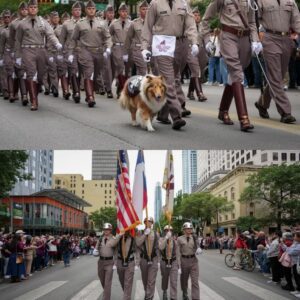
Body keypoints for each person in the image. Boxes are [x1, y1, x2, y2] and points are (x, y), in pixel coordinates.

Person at [200, 0, 261, 131]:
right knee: (237, 72)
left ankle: (223, 111)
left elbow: (252, 23)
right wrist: (206, 40)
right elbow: (205, 20)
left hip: (245, 38)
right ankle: (244, 118)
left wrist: (256, 40)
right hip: (228, 36)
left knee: (234, 76)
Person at [141, 0, 199, 130]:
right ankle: (177, 115)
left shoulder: (184, 3)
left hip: (180, 45)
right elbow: (147, 27)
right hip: (162, 44)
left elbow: (190, 24)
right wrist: (144, 47)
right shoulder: (155, 4)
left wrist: (195, 42)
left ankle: (162, 114)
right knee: (169, 79)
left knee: (174, 78)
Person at [255, 0, 300, 123]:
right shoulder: (260, 1)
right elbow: (253, 21)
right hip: (270, 38)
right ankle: (285, 112)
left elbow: (297, 21)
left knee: (278, 78)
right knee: (275, 77)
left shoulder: (291, 1)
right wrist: (255, 40)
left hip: (287, 40)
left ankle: (262, 104)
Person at [15, 0, 62, 111]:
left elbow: (50, 34)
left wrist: (56, 43)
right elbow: (18, 41)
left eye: (34, 7)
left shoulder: (43, 22)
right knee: (31, 74)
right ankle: (34, 101)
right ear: (28, 9)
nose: (32, 9)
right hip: (27, 50)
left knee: (40, 75)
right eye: (30, 7)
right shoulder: (22, 23)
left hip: (41, 50)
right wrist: (17, 56)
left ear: (37, 9)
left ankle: (35, 93)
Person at [72, 0, 112, 107]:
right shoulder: (80, 24)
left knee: (95, 74)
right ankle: (90, 97)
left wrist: (108, 48)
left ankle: (90, 93)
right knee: (89, 73)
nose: (91, 10)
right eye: (89, 9)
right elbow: (74, 39)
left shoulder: (102, 23)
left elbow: (107, 37)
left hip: (98, 52)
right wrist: (74, 51)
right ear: (86, 10)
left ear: (95, 10)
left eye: (93, 8)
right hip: (85, 51)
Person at [59, 1, 82, 103]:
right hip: (70, 51)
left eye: (79, 10)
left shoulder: (84, 22)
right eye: (75, 10)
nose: (77, 12)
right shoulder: (66, 24)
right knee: (74, 71)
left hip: (82, 51)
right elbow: (61, 39)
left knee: (81, 73)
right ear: (72, 11)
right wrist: (62, 53)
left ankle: (77, 90)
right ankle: (76, 92)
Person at [94, 223, 122, 300]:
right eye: (105, 229)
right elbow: (96, 249)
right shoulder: (100, 239)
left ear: (110, 230)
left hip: (109, 262)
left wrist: (115, 264)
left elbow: (114, 248)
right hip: (101, 262)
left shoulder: (114, 238)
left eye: (107, 229)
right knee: (102, 280)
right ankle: (107, 292)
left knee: (107, 283)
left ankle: (106, 298)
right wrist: (95, 251)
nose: (106, 231)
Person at [8, 2, 29, 105]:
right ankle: (24, 95)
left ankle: (16, 92)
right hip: (19, 51)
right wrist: (12, 52)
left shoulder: (33, 21)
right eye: (22, 9)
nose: (24, 11)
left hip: (30, 51)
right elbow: (11, 39)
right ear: (19, 11)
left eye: (26, 9)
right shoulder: (14, 24)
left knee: (29, 74)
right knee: (20, 73)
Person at [109, 2, 131, 98]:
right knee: (120, 67)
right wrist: (110, 46)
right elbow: (109, 35)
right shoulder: (114, 23)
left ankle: (120, 88)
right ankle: (123, 90)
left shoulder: (131, 24)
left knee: (127, 70)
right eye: (122, 11)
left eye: (126, 11)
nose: (124, 13)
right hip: (117, 47)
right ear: (119, 12)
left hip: (127, 48)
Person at [136, 217, 160, 300]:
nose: (148, 223)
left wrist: (158, 261)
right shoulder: (140, 232)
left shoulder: (156, 233)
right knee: (145, 279)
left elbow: (157, 247)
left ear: (152, 223)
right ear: (144, 223)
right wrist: (145, 235)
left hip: (153, 259)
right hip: (143, 259)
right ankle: (147, 292)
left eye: (149, 221)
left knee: (151, 280)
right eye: (146, 221)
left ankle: (149, 297)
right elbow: (138, 243)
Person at [187, 7, 207, 102]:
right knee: (196, 70)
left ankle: (190, 91)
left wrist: (209, 44)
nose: (197, 17)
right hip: (191, 49)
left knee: (197, 72)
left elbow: (206, 36)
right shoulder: (188, 26)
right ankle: (200, 93)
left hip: (201, 51)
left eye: (198, 15)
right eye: (195, 15)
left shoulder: (203, 25)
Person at [177, 222, 202, 300]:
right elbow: (178, 253)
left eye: (190, 228)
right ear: (184, 230)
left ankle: (195, 298)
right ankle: (184, 293)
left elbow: (198, 247)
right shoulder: (179, 239)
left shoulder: (194, 237)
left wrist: (199, 250)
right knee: (184, 281)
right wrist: (179, 266)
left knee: (195, 282)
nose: (189, 230)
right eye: (187, 228)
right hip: (184, 261)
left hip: (193, 261)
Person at [124, 0, 148, 76]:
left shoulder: (153, 22)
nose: (145, 11)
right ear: (139, 10)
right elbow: (129, 38)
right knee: (142, 70)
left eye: (147, 9)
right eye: (143, 9)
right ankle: (140, 87)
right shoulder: (134, 23)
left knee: (155, 70)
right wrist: (125, 53)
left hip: (150, 49)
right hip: (138, 50)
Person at [159, 225, 180, 300]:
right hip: (164, 262)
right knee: (164, 279)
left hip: (173, 262)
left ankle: (173, 297)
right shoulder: (161, 239)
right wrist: (166, 238)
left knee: (174, 281)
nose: (169, 232)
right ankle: (164, 291)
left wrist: (179, 265)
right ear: (164, 232)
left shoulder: (175, 240)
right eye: (167, 230)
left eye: (170, 230)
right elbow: (161, 247)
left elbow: (177, 253)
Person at [116, 230, 138, 300]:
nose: (126, 231)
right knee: (122, 280)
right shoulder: (118, 238)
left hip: (130, 263)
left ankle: (126, 297)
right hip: (119, 262)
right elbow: (113, 247)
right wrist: (119, 236)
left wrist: (137, 263)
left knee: (128, 283)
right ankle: (127, 295)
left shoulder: (132, 238)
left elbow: (137, 250)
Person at [0, 10, 15, 103]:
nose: (6, 19)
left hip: (14, 53)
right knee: (4, 72)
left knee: (12, 72)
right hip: (4, 53)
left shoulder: (14, 28)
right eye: (5, 17)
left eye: (8, 17)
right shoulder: (0, 29)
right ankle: (5, 91)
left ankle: (13, 91)